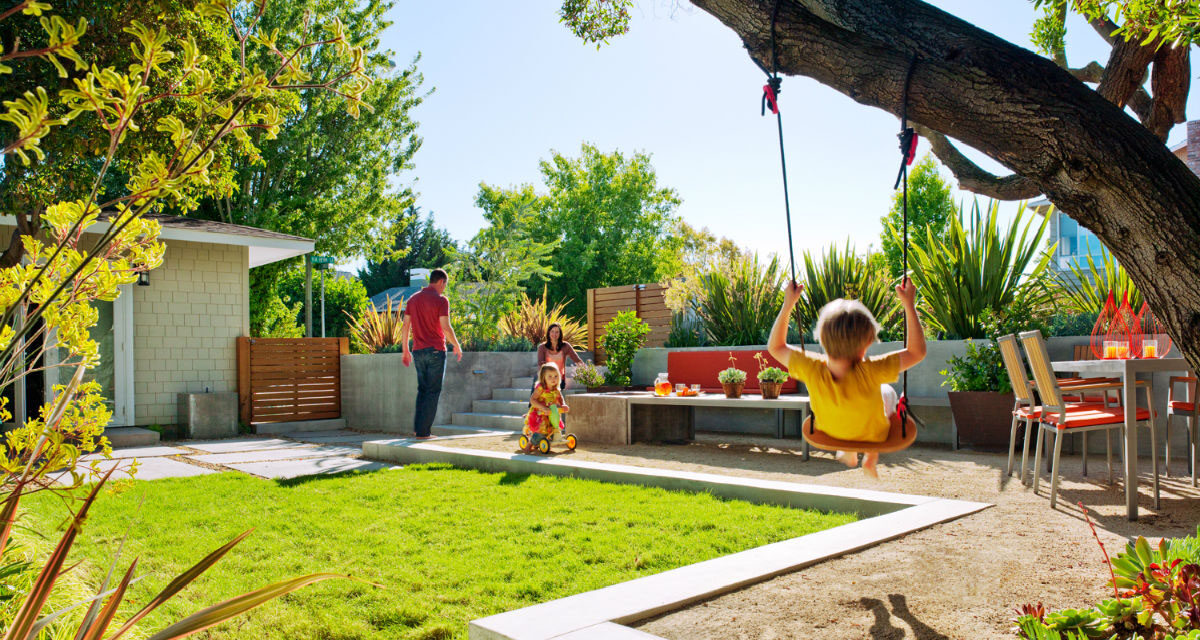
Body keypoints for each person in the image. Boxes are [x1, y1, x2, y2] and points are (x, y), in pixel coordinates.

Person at [767, 277, 926, 478]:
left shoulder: (811, 367)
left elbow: (776, 347)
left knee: (860, 403)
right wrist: (909, 305)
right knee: (886, 391)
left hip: (830, 431)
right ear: (867, 342)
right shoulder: (872, 370)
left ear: (822, 339)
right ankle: (870, 454)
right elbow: (916, 352)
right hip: (874, 435)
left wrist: (788, 304)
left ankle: (847, 449)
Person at [400, 268, 463, 440]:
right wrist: (457, 345)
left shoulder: (413, 299)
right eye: (445, 284)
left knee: (423, 390)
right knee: (433, 391)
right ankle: (424, 433)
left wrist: (405, 350)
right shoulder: (441, 300)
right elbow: (445, 327)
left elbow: (405, 326)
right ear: (441, 281)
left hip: (418, 352)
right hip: (436, 351)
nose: (444, 288)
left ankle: (418, 429)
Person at [522, 363, 570, 452]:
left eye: (556, 376)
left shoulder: (556, 389)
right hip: (540, 413)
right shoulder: (541, 388)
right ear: (544, 377)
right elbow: (532, 400)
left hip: (551, 412)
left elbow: (560, 397)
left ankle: (546, 442)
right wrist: (543, 407)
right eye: (550, 376)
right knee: (541, 430)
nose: (553, 379)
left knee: (553, 428)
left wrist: (563, 404)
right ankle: (530, 444)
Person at [537, 323, 584, 390]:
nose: (554, 334)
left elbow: (577, 360)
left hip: (559, 380)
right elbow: (541, 365)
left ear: (560, 334)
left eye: (557, 332)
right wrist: (543, 379)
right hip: (546, 379)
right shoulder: (542, 347)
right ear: (549, 333)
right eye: (552, 331)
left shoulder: (566, 346)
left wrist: (587, 372)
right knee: (537, 384)